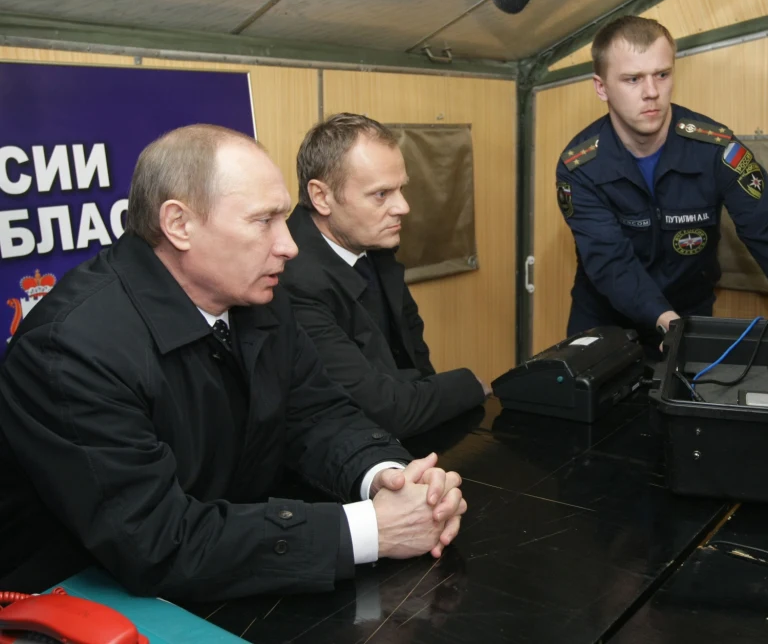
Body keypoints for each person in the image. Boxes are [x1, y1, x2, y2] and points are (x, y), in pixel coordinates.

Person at [0, 125, 466, 601]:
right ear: (178, 224)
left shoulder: (257, 296)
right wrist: (370, 530)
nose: (289, 245)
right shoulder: (70, 349)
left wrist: (389, 478)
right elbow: (154, 540)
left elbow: (317, 414)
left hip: (235, 566)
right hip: (75, 597)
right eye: (263, 221)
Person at [556, 15, 768, 352]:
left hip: (687, 314)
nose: (652, 92)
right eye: (633, 79)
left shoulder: (716, 149)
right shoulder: (580, 167)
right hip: (605, 319)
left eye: (662, 74)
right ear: (601, 87)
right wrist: (666, 322)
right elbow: (611, 261)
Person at [279, 113, 489, 438]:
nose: (403, 207)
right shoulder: (290, 276)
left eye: (401, 189)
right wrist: (470, 384)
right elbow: (382, 408)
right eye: (381, 194)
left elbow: (414, 358)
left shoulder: (373, 244)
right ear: (322, 197)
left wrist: (424, 399)